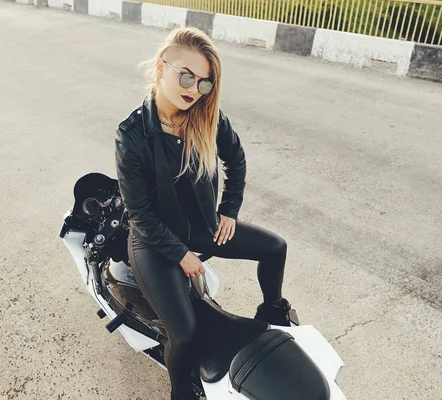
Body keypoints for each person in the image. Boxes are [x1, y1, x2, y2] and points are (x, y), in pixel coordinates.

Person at [114, 27, 293, 400]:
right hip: (153, 242)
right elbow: (140, 215)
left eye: (204, 83)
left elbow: (237, 161)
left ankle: (272, 315)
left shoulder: (207, 117)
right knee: (186, 335)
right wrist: (180, 255)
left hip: (200, 227)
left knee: (276, 248)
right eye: (186, 75)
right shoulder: (130, 135)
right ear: (161, 67)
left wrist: (229, 209)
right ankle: (181, 391)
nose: (194, 89)